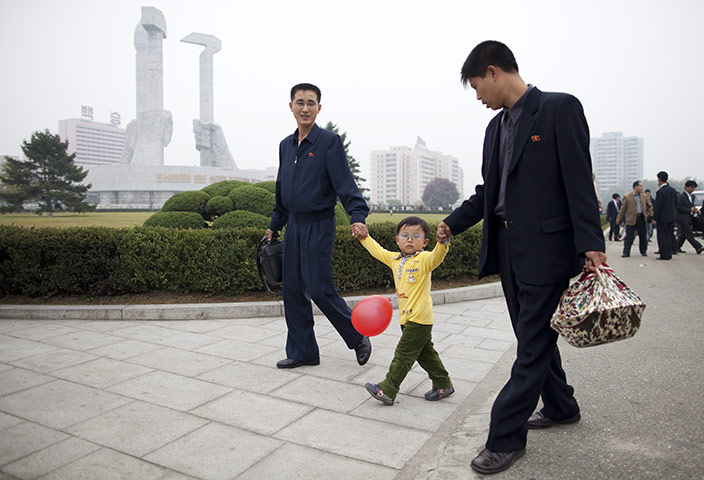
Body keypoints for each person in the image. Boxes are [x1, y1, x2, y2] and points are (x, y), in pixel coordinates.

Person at [437, 41, 606, 475]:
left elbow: (578, 181)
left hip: (548, 251)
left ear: (493, 72)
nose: (478, 97)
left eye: (477, 87)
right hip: (508, 250)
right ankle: (562, 405)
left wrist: (593, 245)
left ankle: (504, 437)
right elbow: (487, 193)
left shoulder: (558, 109)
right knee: (533, 336)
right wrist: (453, 223)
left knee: (530, 347)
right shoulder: (495, 130)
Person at [267, 83, 372, 369]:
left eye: (311, 103)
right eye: (299, 102)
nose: (305, 108)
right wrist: (275, 224)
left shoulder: (329, 142)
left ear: (319, 108)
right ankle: (303, 351)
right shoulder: (285, 146)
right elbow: (282, 189)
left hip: (319, 224)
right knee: (291, 290)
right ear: (291, 106)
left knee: (318, 287)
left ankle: (357, 335)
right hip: (294, 227)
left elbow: (345, 185)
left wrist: (357, 216)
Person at [352, 216, 453, 406]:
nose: (409, 239)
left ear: (424, 242)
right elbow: (378, 251)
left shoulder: (423, 259)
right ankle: (443, 383)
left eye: (416, 236)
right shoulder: (395, 259)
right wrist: (364, 238)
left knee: (403, 355)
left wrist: (443, 243)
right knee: (426, 354)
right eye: (405, 235)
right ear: (397, 240)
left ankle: (388, 389)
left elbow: (436, 257)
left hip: (419, 318)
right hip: (406, 319)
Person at [617, 180, 652, 257]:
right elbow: (622, 209)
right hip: (631, 219)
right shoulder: (627, 196)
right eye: (640, 186)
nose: (642, 188)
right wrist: (618, 218)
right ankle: (626, 252)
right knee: (629, 237)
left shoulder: (644, 196)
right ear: (635, 187)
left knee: (643, 237)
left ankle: (643, 251)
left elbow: (650, 206)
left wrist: (648, 214)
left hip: (641, 218)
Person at [652, 171, 677, 260]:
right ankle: (669, 253)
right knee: (669, 235)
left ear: (659, 179)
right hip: (671, 217)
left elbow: (658, 206)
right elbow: (675, 203)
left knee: (662, 236)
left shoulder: (660, 192)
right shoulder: (673, 190)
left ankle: (664, 255)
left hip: (662, 218)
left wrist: (655, 218)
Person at [675, 180, 703, 254]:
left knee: (683, 234)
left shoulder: (692, 196)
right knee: (689, 234)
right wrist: (689, 209)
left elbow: (691, 205)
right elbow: (678, 207)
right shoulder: (681, 196)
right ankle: (698, 247)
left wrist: (695, 210)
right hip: (682, 218)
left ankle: (676, 247)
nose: (693, 189)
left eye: (694, 188)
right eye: (691, 188)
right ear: (686, 187)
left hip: (689, 217)